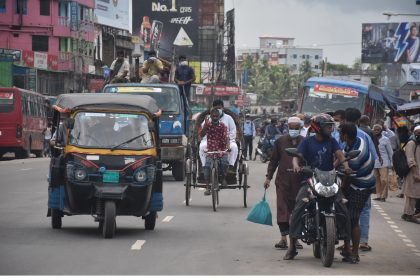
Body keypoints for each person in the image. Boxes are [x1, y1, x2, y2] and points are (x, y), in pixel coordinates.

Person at [284, 113, 351, 260]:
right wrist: (296, 166)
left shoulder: (332, 141)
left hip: (329, 179)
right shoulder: (307, 141)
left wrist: (346, 166)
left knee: (343, 207)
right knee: (298, 208)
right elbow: (296, 156)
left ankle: (347, 248)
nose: (330, 128)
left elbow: (340, 156)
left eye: (330, 126)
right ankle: (292, 247)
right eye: (327, 126)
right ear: (318, 127)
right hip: (310, 180)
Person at [264, 117, 304, 251]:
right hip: (283, 181)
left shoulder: (305, 142)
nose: (293, 130)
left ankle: (296, 239)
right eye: (291, 128)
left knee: (298, 211)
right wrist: (268, 177)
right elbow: (273, 160)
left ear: (300, 128)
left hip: (300, 182)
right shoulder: (280, 141)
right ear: (288, 127)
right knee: (282, 209)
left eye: (296, 128)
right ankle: (283, 238)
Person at [339, 123, 376, 263]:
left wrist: (341, 189)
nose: (339, 135)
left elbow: (348, 175)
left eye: (341, 133)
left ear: (346, 135)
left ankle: (354, 252)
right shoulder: (353, 142)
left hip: (361, 186)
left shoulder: (357, 153)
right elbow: (341, 156)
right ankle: (346, 248)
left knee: (353, 218)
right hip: (354, 182)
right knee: (345, 215)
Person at [345, 108, 378, 253]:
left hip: (357, 182)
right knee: (363, 210)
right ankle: (362, 242)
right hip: (365, 179)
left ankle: (351, 245)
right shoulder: (365, 135)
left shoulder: (345, 135)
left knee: (350, 213)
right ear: (358, 120)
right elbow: (374, 157)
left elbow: (340, 158)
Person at [199, 100, 238, 174]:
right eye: (216, 109)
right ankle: (204, 167)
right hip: (210, 141)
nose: (218, 111)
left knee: (234, 147)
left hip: (224, 141)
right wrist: (206, 125)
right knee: (202, 147)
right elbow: (202, 133)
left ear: (223, 108)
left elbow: (232, 131)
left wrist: (227, 141)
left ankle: (230, 167)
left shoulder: (228, 118)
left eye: (220, 108)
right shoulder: (207, 119)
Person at [200, 108, 229, 195]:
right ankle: (208, 187)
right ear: (211, 116)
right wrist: (205, 124)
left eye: (217, 116)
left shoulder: (223, 126)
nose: (215, 117)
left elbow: (226, 137)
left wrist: (227, 147)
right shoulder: (208, 125)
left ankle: (223, 178)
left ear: (219, 116)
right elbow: (201, 134)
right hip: (211, 150)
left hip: (221, 149)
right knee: (207, 167)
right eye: (213, 116)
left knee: (224, 163)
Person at [401, 125, 420, 224]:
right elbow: (410, 159)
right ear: (416, 133)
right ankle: (409, 214)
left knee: (414, 194)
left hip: (417, 171)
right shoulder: (412, 143)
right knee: (411, 194)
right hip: (414, 172)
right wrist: (415, 173)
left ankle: (407, 213)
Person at [372, 124, 393, 202]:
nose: (376, 131)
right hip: (375, 162)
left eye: (378, 130)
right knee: (377, 179)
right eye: (375, 130)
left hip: (384, 162)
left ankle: (383, 196)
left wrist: (392, 163)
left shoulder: (385, 139)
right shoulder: (372, 139)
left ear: (381, 131)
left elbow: (390, 152)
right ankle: (378, 195)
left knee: (384, 180)